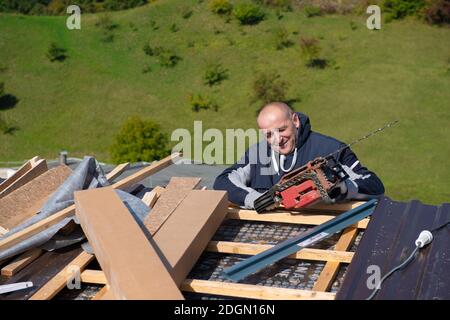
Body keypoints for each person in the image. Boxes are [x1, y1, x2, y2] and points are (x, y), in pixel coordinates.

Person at [213, 102, 385, 209]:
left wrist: (345, 188)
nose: (277, 140)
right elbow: (222, 181)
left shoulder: (332, 148)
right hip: (272, 238)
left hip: (325, 235)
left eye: (281, 130)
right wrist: (256, 199)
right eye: (269, 134)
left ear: (295, 121)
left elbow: (374, 184)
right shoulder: (257, 154)